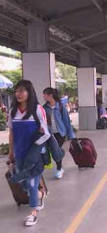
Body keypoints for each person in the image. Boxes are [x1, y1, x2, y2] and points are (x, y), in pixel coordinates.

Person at [8, 80, 51, 227]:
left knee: (32, 183)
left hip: (34, 155)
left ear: (29, 92)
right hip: (19, 154)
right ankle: (39, 195)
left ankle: (33, 213)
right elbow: (12, 133)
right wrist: (11, 153)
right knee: (24, 183)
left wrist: (37, 147)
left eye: (22, 91)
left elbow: (46, 133)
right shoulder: (12, 111)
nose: (18, 94)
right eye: (17, 91)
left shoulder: (37, 109)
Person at [43, 87, 75, 179]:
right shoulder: (44, 108)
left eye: (45, 94)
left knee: (55, 151)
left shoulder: (60, 106)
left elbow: (66, 121)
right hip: (49, 134)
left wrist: (70, 135)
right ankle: (60, 163)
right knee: (54, 151)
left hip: (60, 133)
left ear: (50, 95)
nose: (43, 96)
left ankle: (59, 168)